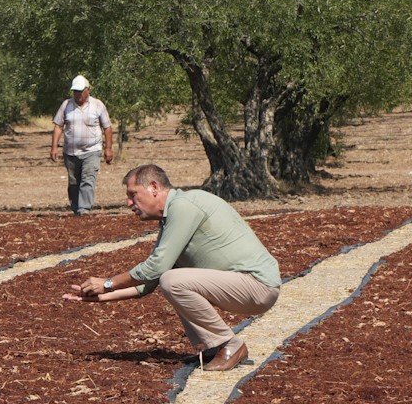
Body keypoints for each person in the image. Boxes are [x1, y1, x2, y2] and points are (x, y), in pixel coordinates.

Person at [63, 163, 279, 372]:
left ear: (154, 187)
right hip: (246, 286)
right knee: (170, 278)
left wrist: (108, 283)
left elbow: (155, 268)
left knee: (172, 280)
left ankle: (230, 345)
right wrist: (98, 296)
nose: (129, 203)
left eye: (133, 194)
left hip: (257, 285)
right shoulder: (172, 217)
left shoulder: (184, 206)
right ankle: (213, 347)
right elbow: (147, 284)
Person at [50, 74, 116, 214]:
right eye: (75, 91)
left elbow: (107, 127)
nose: (77, 94)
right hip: (71, 152)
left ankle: (84, 210)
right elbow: (58, 126)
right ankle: (76, 209)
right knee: (74, 183)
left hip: (92, 151)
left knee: (88, 180)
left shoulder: (98, 105)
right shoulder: (66, 105)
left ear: (88, 90)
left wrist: (108, 149)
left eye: (80, 91)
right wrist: (54, 147)